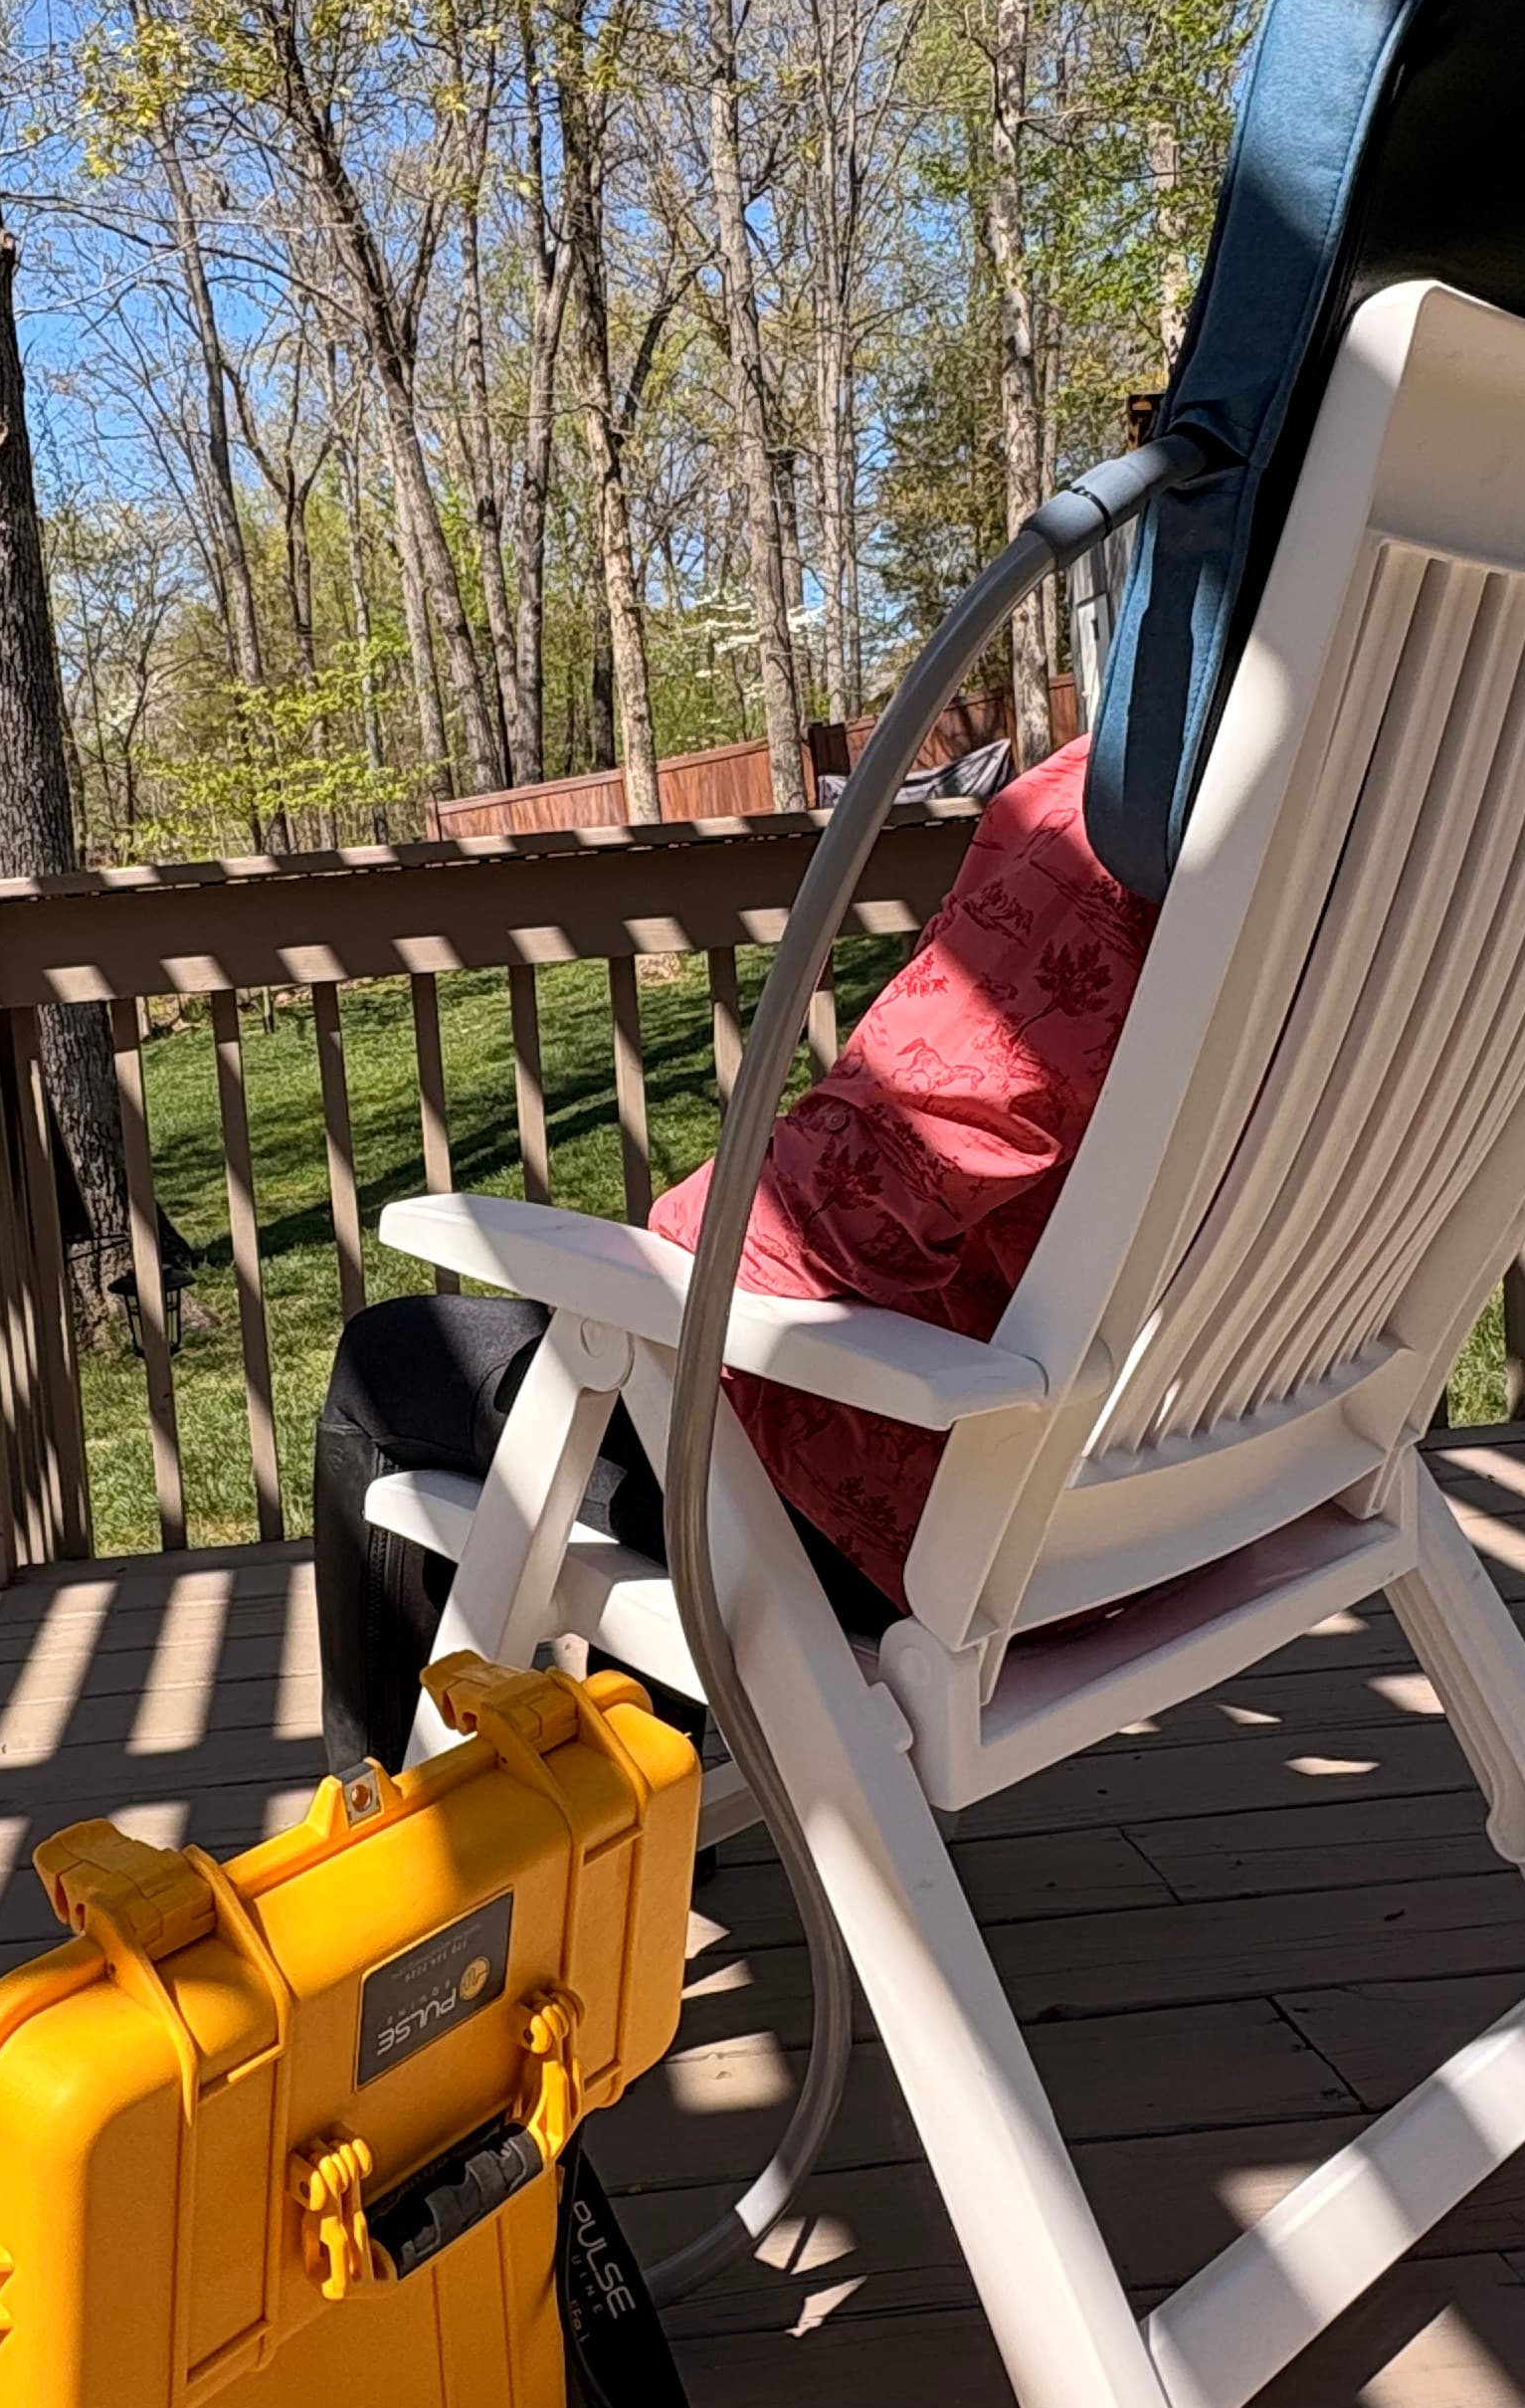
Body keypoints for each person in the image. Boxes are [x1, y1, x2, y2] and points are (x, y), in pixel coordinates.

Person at [311, 735, 1155, 1770]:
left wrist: (630, 1259)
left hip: (960, 1531)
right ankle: (650, 1806)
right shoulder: (1333, 865)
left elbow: (845, 1198)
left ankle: (380, 1831)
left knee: (401, 1363)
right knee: (665, 1381)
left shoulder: (1120, 832)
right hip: (1159, 1507)